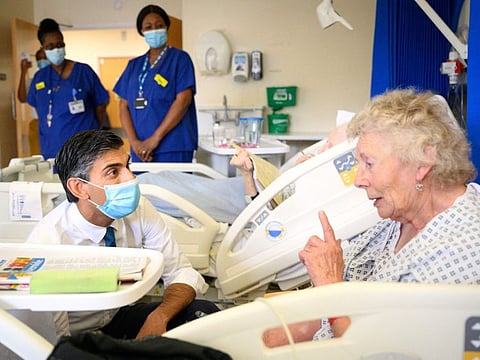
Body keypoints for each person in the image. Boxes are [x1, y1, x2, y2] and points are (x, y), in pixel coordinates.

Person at [263, 88, 480, 346]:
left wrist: (329, 284)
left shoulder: (461, 251)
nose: (358, 180)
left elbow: (377, 350)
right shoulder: (401, 216)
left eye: (369, 164)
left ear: (422, 163)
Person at [27, 129, 219, 339]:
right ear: (79, 188)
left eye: (127, 166)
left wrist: (159, 317)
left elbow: (180, 271)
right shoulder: (48, 241)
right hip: (76, 334)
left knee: (203, 314)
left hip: (116, 318)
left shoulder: (139, 209)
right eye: (113, 172)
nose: (131, 178)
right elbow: (53, 335)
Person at [114, 4, 198, 163]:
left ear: (166, 27)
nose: (154, 30)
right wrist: (134, 143)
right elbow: (123, 105)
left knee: (174, 188)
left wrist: (154, 140)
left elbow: (183, 101)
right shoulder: (134, 66)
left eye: (159, 26)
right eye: (149, 27)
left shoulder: (180, 59)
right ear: (142, 31)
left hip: (173, 145)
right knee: (144, 188)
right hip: (140, 150)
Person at [27, 18, 109, 160]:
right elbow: (38, 108)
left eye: (60, 45)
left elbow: (101, 104)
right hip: (52, 150)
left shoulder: (83, 72)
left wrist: (93, 131)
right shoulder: (40, 77)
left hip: (84, 149)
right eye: (50, 47)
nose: (56, 49)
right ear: (43, 49)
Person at [18, 48, 49, 155]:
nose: (42, 61)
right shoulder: (34, 80)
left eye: (45, 58)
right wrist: (23, 72)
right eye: (39, 59)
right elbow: (22, 98)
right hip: (37, 123)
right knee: (38, 157)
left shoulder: (60, 79)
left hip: (56, 123)